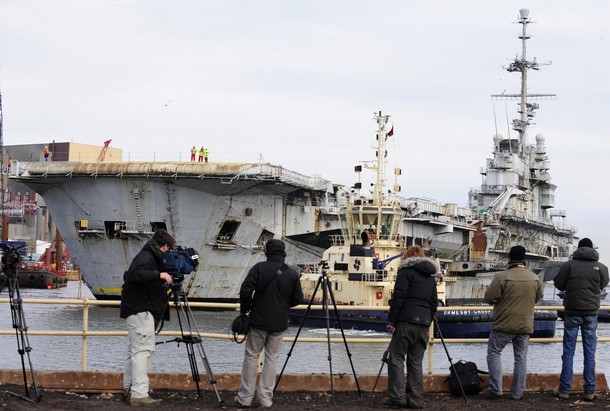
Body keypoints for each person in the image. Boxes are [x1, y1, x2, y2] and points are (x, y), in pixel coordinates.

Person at [235, 239, 303, 409]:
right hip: (279, 322)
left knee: (251, 357)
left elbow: (245, 290)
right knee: (271, 359)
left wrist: (246, 309)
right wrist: (282, 306)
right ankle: (266, 399)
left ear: (267, 252)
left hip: (258, 320)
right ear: (284, 253)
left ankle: (245, 398)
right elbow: (298, 299)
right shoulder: (292, 273)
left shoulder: (259, 268)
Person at [120, 228, 176, 406]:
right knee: (143, 351)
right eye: (169, 249)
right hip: (140, 310)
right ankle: (139, 394)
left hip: (137, 309)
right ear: (164, 246)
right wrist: (159, 274)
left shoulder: (147, 255)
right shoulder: (147, 257)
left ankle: (130, 388)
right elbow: (134, 275)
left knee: (136, 351)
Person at [483, 245, 543, 400]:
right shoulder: (535, 278)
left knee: (494, 353)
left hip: (504, 323)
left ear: (509, 259)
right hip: (525, 324)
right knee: (521, 358)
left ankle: (496, 389)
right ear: (525, 259)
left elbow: (489, 298)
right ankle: (517, 393)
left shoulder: (502, 276)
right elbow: (537, 298)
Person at [553, 237, 609, 401]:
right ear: (592, 249)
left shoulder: (569, 265)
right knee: (590, 352)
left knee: (568, 352)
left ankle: (564, 390)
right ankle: (590, 390)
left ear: (578, 249)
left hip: (571, 312)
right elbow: (603, 284)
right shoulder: (602, 267)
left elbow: (558, 283)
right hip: (591, 313)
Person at [385, 245, 438, 409]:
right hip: (422, 325)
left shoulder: (405, 273)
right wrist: (427, 321)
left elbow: (399, 298)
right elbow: (433, 303)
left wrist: (391, 321)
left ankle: (397, 397)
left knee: (396, 358)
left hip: (406, 322)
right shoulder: (430, 278)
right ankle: (415, 399)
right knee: (416, 362)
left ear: (406, 257)